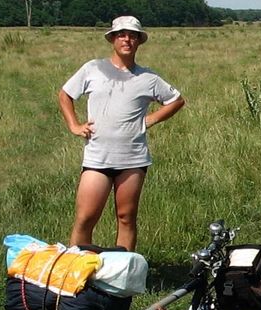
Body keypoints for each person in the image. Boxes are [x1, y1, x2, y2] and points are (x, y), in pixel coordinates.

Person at [58, 16, 185, 250]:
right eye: (122, 35)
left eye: (133, 35)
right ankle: (77, 275)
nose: (127, 39)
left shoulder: (148, 78)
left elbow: (176, 101)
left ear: (139, 41)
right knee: (86, 217)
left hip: (133, 159)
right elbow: (65, 94)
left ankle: (122, 278)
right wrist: (74, 125)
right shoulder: (92, 68)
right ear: (113, 39)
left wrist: (151, 119)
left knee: (126, 217)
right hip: (97, 158)